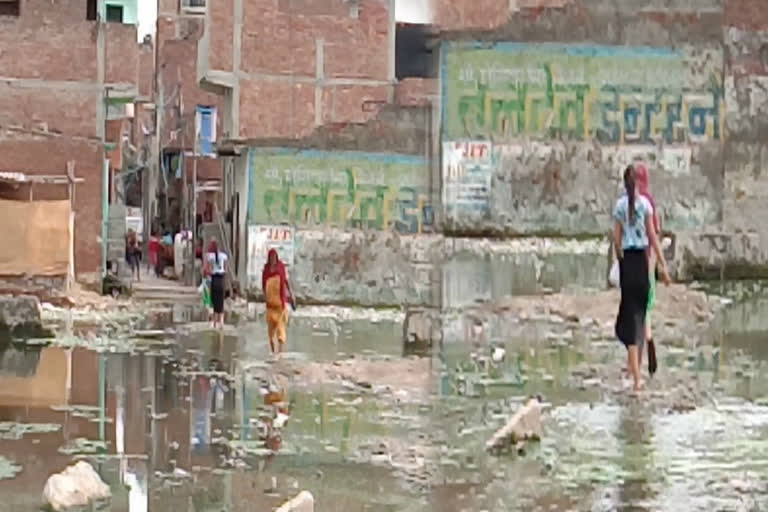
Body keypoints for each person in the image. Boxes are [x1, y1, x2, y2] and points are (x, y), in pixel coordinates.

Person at [613, 165, 670, 394]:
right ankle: (637, 377)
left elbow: (616, 239)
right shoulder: (645, 205)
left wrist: (620, 259)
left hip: (628, 265)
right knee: (640, 316)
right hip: (642, 265)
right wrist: (663, 268)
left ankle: (635, 378)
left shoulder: (619, 207)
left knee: (629, 321)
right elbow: (652, 236)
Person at [635, 163, 661, 376]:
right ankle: (648, 348)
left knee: (635, 312)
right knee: (645, 309)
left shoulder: (629, 202)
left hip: (632, 261)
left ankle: (636, 365)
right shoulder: (649, 202)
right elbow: (654, 234)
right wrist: (659, 261)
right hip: (647, 259)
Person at [262, 249, 294, 355]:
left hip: (280, 304)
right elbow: (263, 286)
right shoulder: (266, 270)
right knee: (271, 332)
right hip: (270, 305)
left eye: (274, 258)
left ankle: (280, 353)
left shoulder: (281, 267)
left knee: (281, 329)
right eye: (271, 258)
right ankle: (273, 352)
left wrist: (291, 294)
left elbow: (285, 281)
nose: (273, 260)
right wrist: (265, 297)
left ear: (276, 258)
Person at [204, 239, 228, 329]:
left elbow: (208, 269)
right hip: (221, 279)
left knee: (214, 301)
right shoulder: (224, 256)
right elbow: (225, 269)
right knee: (221, 301)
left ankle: (214, 323)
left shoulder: (210, 256)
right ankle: (221, 322)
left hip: (214, 279)